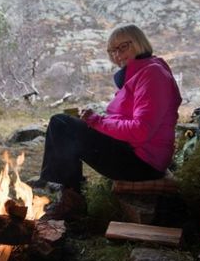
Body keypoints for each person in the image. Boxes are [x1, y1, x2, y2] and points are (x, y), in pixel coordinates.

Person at [37, 24, 182, 221]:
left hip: (142, 161)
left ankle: (72, 200)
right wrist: (96, 120)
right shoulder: (139, 73)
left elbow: (141, 130)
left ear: (139, 43)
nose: (117, 54)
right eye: (112, 50)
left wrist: (97, 122)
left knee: (62, 124)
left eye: (123, 47)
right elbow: (126, 119)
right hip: (134, 152)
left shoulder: (152, 74)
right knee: (67, 125)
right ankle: (69, 193)